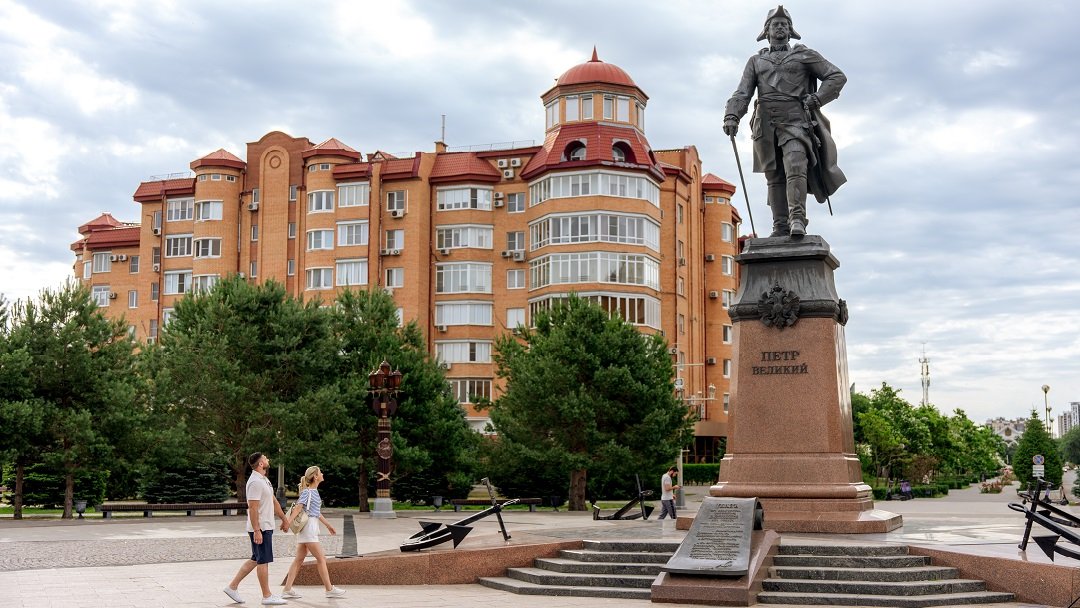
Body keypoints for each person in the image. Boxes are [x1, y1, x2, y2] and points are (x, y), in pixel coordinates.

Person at [723, 5, 847, 238]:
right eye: (775, 24)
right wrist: (732, 115)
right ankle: (780, 225)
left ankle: (797, 219)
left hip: (796, 120)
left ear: (790, 31)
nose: (780, 27)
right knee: (774, 174)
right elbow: (743, 92)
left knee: (796, 164)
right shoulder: (756, 61)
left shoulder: (804, 55)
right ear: (766, 31)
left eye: (784, 24)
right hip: (765, 123)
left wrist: (817, 98)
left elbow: (836, 76)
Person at [224, 452, 291, 606]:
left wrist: (284, 519)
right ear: (261, 463)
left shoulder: (264, 480)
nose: (268, 459)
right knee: (263, 561)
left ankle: (232, 587)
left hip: (265, 526)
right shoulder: (255, 482)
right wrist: (257, 530)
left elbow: (274, 501)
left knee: (256, 559)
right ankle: (267, 596)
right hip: (261, 528)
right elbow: (252, 508)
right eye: (265, 458)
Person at [281, 466, 345, 599]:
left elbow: (316, 513)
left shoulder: (314, 492)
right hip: (308, 529)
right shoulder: (308, 492)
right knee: (321, 558)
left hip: (310, 528)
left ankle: (287, 590)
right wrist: (287, 522)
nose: (322, 474)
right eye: (320, 472)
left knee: (299, 560)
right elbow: (298, 508)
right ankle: (329, 589)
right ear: (315, 477)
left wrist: (328, 525)